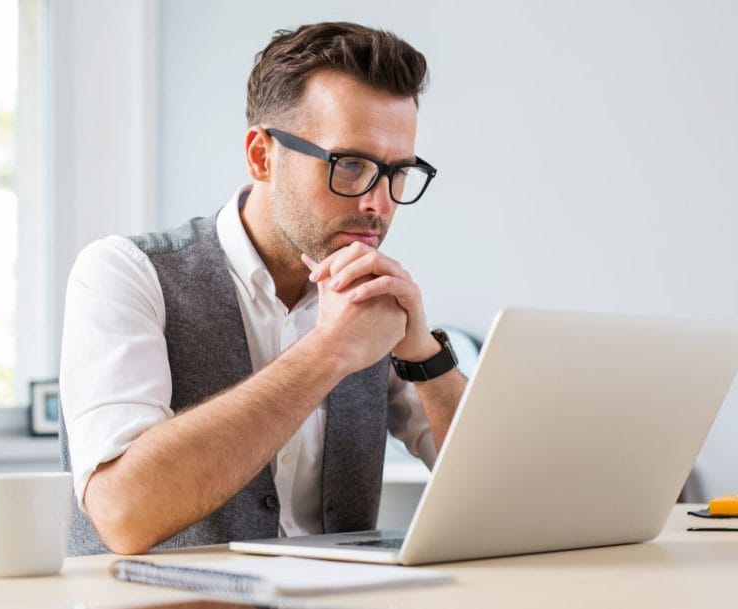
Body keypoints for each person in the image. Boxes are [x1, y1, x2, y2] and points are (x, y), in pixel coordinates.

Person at [59, 21, 467, 556]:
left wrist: (425, 357)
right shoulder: (123, 273)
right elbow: (124, 513)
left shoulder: (373, 299)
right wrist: (327, 352)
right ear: (261, 156)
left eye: (398, 172)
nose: (379, 203)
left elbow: (508, 489)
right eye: (350, 166)